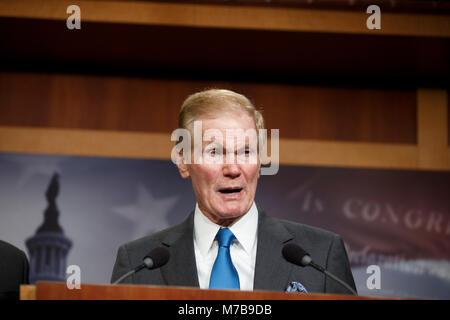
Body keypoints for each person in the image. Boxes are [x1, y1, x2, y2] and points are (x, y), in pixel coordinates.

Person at [111, 89, 356, 294]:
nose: (232, 168)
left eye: (246, 152)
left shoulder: (320, 255)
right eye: (215, 152)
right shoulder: (139, 265)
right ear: (183, 161)